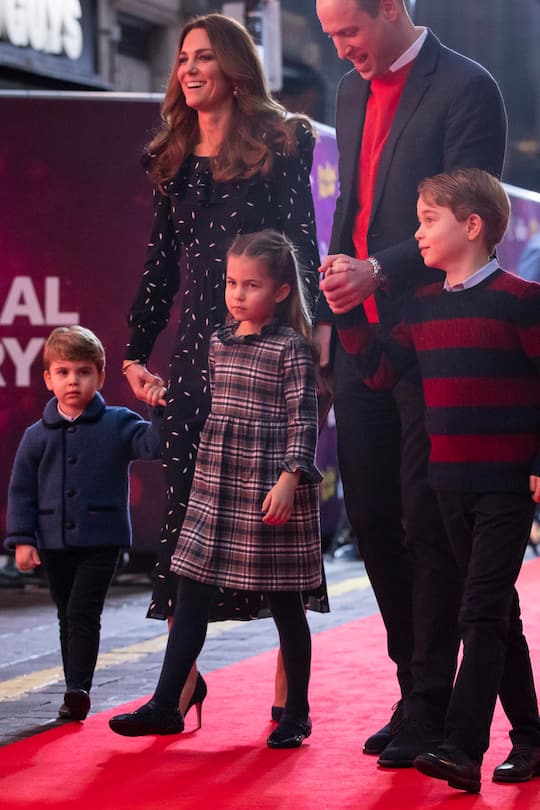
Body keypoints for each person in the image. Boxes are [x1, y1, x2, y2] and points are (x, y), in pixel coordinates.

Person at [314, 0, 507, 765]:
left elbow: (471, 216)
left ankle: (431, 704)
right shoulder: (347, 89)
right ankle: (410, 686)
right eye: (328, 34)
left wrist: (377, 270)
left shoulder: (467, 86)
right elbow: (349, 209)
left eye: (348, 31)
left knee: (428, 523)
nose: (339, 48)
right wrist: (331, 293)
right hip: (359, 336)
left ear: (391, 8)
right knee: (372, 514)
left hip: (436, 334)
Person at [121, 12, 326, 718]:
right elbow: (159, 266)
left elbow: (301, 240)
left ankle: (287, 695)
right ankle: (176, 689)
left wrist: (310, 337)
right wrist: (133, 351)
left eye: (203, 56)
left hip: (265, 355)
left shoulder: (281, 140)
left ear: (235, 66)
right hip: (194, 358)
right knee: (189, 522)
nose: (188, 68)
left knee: (274, 526)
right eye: (181, 58)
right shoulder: (172, 155)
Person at [331, 167, 540, 793]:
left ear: (472, 226)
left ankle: (460, 746)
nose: (416, 234)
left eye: (428, 220)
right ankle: (531, 738)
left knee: (478, 614)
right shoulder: (419, 310)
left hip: (504, 484)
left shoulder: (524, 300)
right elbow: (375, 373)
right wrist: (346, 313)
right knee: (496, 614)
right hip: (447, 484)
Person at [110, 229, 322, 748]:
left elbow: (305, 419)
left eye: (251, 284)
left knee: (286, 601)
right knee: (192, 590)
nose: (237, 293)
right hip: (217, 478)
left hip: (269, 482)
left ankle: (296, 712)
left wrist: (290, 479)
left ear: (280, 292)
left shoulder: (292, 347)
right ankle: (166, 702)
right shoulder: (219, 341)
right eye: (231, 282)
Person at [4, 326, 162, 722]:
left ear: (100, 376)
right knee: (66, 615)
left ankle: (78, 689)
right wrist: (23, 540)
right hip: (53, 541)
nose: (73, 380)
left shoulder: (119, 423)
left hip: (102, 541)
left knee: (82, 612)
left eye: (83, 372)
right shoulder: (35, 436)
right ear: (48, 379)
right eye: (63, 372)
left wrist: (158, 407)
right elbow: (22, 490)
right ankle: (74, 682)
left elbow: (155, 446)